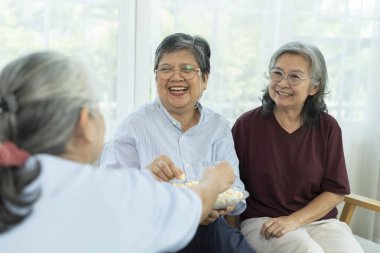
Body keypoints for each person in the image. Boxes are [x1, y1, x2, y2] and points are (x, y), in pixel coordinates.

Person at [0, 51, 236, 253]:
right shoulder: (112, 192)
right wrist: (213, 181)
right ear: (84, 122)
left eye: (187, 69)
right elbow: (192, 203)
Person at [101, 33, 256, 253]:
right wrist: (145, 177)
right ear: (156, 78)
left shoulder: (218, 126)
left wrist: (218, 204)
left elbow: (235, 190)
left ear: (205, 79)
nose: (176, 77)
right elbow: (111, 191)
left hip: (210, 227)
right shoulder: (134, 126)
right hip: (158, 229)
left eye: (187, 69)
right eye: (165, 69)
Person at [232, 41, 364, 253]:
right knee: (307, 250)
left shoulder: (327, 127)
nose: (283, 83)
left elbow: (336, 191)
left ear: (314, 87)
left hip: (319, 221)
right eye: (277, 73)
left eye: (294, 76)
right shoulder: (246, 125)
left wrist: (294, 220)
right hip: (264, 222)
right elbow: (231, 184)